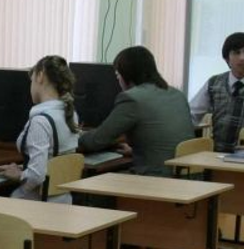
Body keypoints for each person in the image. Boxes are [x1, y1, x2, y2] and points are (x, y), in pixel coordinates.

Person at [78, 46, 193, 176]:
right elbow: (165, 140)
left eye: (118, 75)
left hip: (157, 178)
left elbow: (97, 140)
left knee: (96, 181)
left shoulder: (132, 98)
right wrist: (136, 151)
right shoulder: (177, 94)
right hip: (189, 175)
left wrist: (74, 139)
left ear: (126, 75)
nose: (118, 81)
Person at [0, 55, 80, 200]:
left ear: (40, 76)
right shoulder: (70, 114)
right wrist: (24, 167)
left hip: (37, 204)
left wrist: (20, 175)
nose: (30, 87)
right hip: (63, 201)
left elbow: (37, 176)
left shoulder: (40, 121)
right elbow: (54, 162)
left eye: (32, 80)